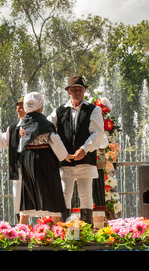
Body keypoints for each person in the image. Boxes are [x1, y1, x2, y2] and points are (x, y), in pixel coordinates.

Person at [47, 76, 105, 224]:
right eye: (74, 89)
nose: (77, 92)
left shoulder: (93, 110)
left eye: (80, 89)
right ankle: (64, 228)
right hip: (66, 160)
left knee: (85, 194)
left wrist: (84, 149)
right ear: (68, 92)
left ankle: (86, 229)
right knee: (65, 193)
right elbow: (46, 127)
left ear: (84, 91)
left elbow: (98, 133)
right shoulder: (59, 110)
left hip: (85, 159)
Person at [17, 92, 73, 220]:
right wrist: (65, 155)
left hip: (27, 159)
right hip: (43, 159)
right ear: (40, 107)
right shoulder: (45, 123)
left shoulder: (24, 122)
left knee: (28, 192)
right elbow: (54, 139)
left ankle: (20, 231)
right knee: (51, 190)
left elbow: (22, 144)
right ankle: (58, 231)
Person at [0, 97, 29, 224]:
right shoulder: (13, 128)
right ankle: (21, 227)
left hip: (33, 167)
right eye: (17, 107)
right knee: (17, 197)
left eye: (21, 106)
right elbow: (3, 142)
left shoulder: (37, 124)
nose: (18, 110)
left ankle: (41, 228)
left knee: (35, 196)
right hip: (17, 167)